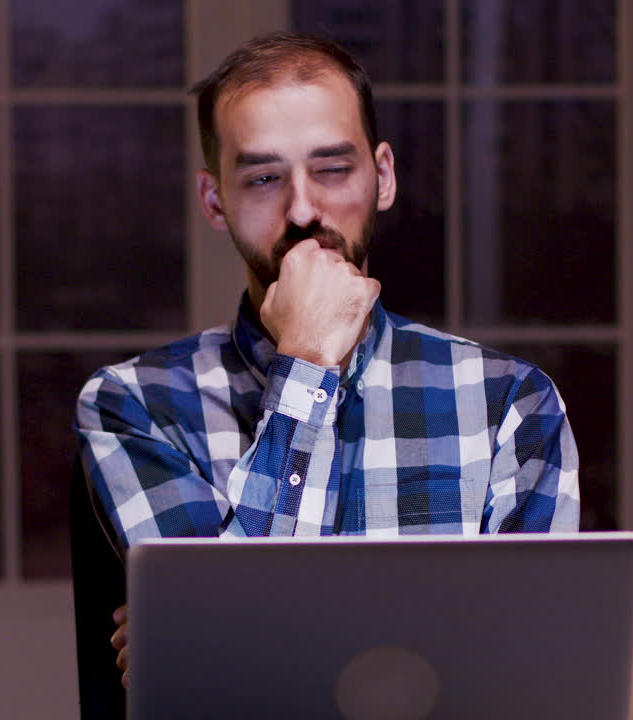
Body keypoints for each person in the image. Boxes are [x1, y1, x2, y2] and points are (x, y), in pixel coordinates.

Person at [74, 31, 579, 691]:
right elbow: (205, 681)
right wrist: (307, 364)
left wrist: (198, 627)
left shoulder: (511, 403)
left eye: (333, 168)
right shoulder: (133, 404)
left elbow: (530, 678)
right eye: (262, 177)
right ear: (214, 200)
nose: (304, 208)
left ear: (384, 176)